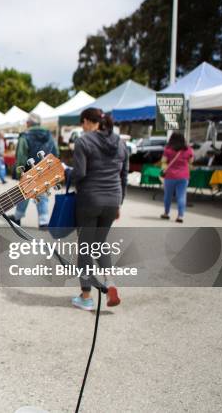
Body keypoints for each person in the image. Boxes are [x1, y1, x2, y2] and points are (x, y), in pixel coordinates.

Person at [72, 108, 128, 310]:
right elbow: (124, 176)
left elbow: (80, 173)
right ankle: (110, 283)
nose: (82, 127)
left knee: (85, 247)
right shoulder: (121, 143)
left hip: (90, 199)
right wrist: (119, 203)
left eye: (82, 123)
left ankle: (86, 296)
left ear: (87, 121)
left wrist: (66, 175)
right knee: (100, 243)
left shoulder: (83, 141)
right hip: (113, 200)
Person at [10, 112, 58, 228]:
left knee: (24, 193)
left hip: (28, 170)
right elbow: (56, 152)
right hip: (45, 169)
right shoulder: (49, 135)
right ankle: (43, 221)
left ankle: (17, 217)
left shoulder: (25, 136)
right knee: (42, 193)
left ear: (28, 123)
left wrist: (18, 172)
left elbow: (21, 156)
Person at [160, 132, 193, 223]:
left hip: (170, 176)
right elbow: (191, 162)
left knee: (168, 195)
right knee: (181, 196)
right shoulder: (188, 150)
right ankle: (180, 216)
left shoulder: (168, 149)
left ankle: (166, 213)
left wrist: (164, 169)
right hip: (183, 176)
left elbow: (163, 161)